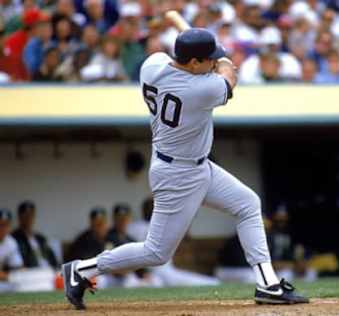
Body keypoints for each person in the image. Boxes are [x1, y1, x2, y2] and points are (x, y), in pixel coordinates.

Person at [62, 27, 308, 310]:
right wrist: (225, 62)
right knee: (156, 253)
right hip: (177, 174)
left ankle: (268, 284)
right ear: (193, 63)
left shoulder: (152, 65)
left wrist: (204, 54)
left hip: (197, 165)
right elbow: (229, 79)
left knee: (248, 204)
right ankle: (81, 270)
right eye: (207, 59)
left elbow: (180, 60)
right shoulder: (200, 90)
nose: (212, 62)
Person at [127, 197, 220, 287]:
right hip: (161, 272)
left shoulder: (133, 227)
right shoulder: (153, 227)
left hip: (150, 272)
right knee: (212, 283)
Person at [12, 201, 58, 269]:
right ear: (19, 217)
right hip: (31, 272)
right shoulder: (13, 238)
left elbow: (52, 258)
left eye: (31, 215)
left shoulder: (40, 238)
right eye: (25, 216)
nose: (29, 219)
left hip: (49, 270)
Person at [0, 208, 23, 292]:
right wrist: (9, 277)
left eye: (6, 225)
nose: (3, 228)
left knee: (18, 286)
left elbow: (18, 266)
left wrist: (26, 274)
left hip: (3, 281)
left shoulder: (10, 242)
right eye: (0, 224)